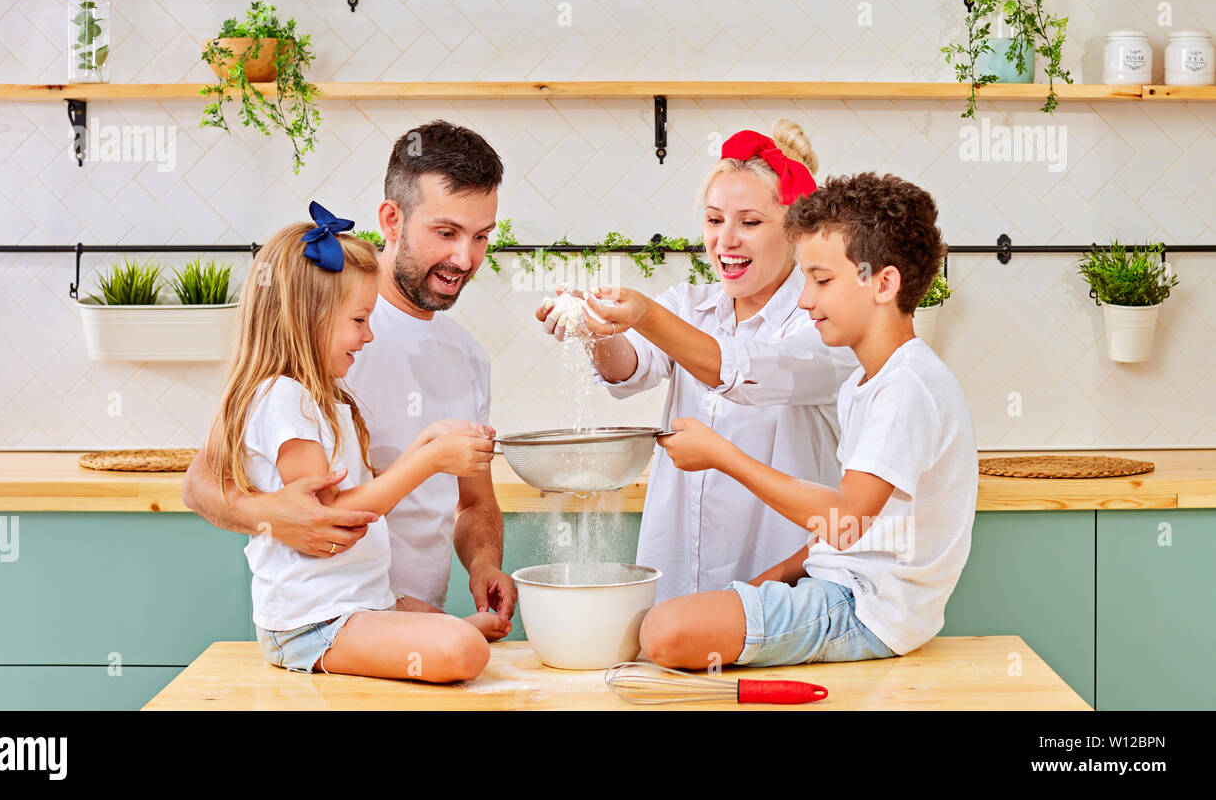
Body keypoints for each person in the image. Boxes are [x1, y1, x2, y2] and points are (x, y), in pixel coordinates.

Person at [184, 120, 516, 628]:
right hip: (327, 620)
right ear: (391, 219)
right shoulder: (323, 336)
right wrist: (272, 515)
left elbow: (474, 503)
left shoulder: (468, 358)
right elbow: (201, 482)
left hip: (412, 619)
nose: (464, 258)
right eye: (446, 233)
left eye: (480, 237)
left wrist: (485, 563)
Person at [638, 172, 979, 668]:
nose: (804, 299)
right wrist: (772, 578)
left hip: (866, 609)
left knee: (664, 631)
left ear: (884, 283)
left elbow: (844, 524)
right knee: (677, 617)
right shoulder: (868, 382)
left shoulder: (908, 388)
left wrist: (723, 456)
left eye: (821, 280)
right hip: (841, 586)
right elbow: (845, 534)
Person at [537, 120, 859, 602]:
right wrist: (597, 327)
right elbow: (629, 368)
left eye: (749, 223)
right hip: (679, 562)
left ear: (794, 233)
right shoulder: (689, 306)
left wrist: (644, 313)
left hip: (782, 573)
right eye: (714, 220)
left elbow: (743, 370)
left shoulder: (822, 323)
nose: (725, 240)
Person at [205, 204, 504, 678]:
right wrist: (428, 462)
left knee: (455, 631)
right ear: (310, 319)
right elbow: (334, 516)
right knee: (464, 649)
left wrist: (428, 441)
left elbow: (358, 486)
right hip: (316, 621)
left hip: (359, 603)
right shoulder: (285, 399)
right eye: (360, 321)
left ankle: (441, 625)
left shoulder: (324, 397)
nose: (368, 336)